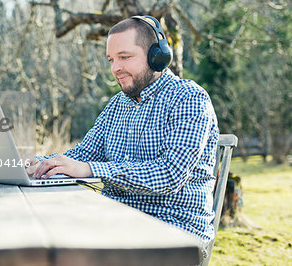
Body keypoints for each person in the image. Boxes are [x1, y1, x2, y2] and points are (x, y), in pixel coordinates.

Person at [27, 16, 219, 251]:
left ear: (157, 56)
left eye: (125, 57)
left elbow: (170, 174)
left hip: (173, 230)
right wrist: (39, 164)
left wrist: (90, 169)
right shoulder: (117, 104)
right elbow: (82, 155)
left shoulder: (188, 98)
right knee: (37, 235)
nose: (115, 68)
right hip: (114, 221)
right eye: (111, 59)